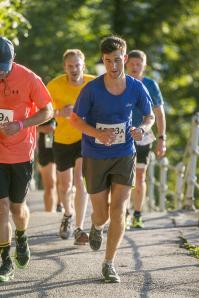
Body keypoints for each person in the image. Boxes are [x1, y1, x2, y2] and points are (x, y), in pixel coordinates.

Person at [70, 35, 155, 283]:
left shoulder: (136, 87)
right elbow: (75, 119)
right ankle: (96, 227)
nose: (113, 66)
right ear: (103, 61)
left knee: (119, 210)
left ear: (125, 59)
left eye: (117, 60)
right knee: (102, 214)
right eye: (108, 61)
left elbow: (149, 117)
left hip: (124, 153)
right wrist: (98, 133)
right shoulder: (92, 89)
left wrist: (143, 129)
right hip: (95, 155)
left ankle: (109, 264)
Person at [0, 37, 53, 282]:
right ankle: (5, 260)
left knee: (17, 209)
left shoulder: (30, 78)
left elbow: (47, 111)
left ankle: (21, 235)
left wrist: (22, 124)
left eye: (4, 66)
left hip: (21, 152)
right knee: (1, 208)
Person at [47, 49, 95, 245]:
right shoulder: (54, 85)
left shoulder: (93, 83)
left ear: (83, 65)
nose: (74, 69)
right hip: (62, 139)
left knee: (80, 181)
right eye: (70, 66)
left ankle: (79, 227)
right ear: (64, 67)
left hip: (85, 138)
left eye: (77, 65)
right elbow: (44, 112)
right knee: (64, 185)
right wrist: (60, 112)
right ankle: (67, 214)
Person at [125, 50, 166, 228]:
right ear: (126, 63)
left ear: (144, 66)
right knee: (123, 177)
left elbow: (159, 113)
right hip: (123, 134)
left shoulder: (150, 85)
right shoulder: (120, 82)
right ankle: (123, 213)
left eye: (138, 64)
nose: (135, 67)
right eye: (132, 64)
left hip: (144, 135)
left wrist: (162, 138)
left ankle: (137, 214)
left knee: (140, 176)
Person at [37, 119, 63, 212]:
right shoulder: (40, 105)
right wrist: (42, 128)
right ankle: (49, 214)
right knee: (50, 184)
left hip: (65, 145)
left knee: (64, 183)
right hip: (46, 147)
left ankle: (61, 206)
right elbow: (28, 126)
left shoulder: (67, 105)